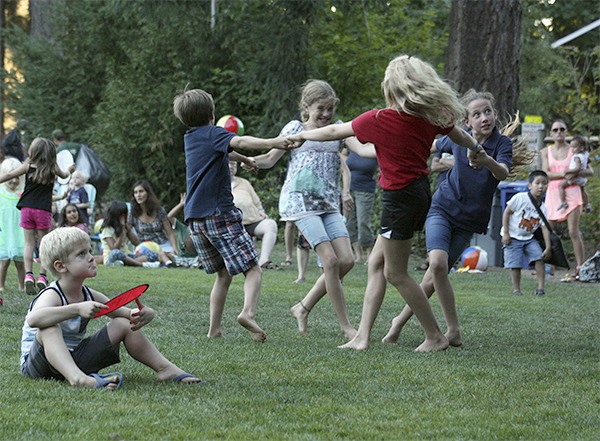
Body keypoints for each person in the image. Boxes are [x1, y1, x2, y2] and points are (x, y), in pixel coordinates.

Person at [288, 60, 490, 352]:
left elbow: (335, 132)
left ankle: (434, 336)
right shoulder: (430, 116)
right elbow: (458, 133)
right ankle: (362, 336)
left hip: (400, 200)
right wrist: (477, 149)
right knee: (375, 264)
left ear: (391, 88)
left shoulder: (379, 118)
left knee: (395, 273)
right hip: (419, 193)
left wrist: (301, 135)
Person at [380, 89, 512, 348]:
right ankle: (452, 330)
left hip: (469, 219)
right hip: (442, 208)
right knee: (437, 264)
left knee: (433, 275)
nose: (484, 117)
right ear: (466, 121)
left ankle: (398, 322)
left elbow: (503, 172)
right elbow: (426, 146)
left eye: (488, 112)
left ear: (495, 114)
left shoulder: (501, 144)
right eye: (476, 114)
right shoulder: (457, 138)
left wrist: (486, 160)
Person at [172, 87, 293, 342]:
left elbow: (226, 149)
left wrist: (244, 160)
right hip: (219, 213)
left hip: (195, 218)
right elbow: (237, 140)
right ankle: (248, 313)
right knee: (253, 268)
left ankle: (214, 330)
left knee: (223, 275)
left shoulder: (191, 137)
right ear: (212, 114)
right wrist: (273, 142)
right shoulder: (215, 133)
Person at [19, 227, 202, 389]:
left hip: (73, 359)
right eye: (81, 254)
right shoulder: (52, 294)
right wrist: (76, 309)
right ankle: (79, 379)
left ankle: (165, 369)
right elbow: (34, 319)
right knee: (49, 328)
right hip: (38, 365)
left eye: (89, 251)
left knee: (123, 324)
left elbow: (127, 315)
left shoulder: (89, 294)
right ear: (61, 266)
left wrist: (146, 314)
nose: (91, 257)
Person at [252, 80, 356, 340]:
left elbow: (363, 149)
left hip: (328, 204)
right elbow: (269, 159)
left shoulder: (337, 129)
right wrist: (249, 161)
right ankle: (346, 327)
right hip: (300, 203)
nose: (326, 114)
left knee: (347, 261)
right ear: (306, 107)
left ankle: (302, 307)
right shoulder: (295, 129)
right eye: (321, 108)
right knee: (330, 261)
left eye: (330, 109)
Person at [0, 137, 75, 295]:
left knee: (28, 243)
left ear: (33, 151)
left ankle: (28, 275)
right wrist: (70, 169)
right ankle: (42, 277)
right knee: (43, 245)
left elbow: (9, 175)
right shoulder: (53, 167)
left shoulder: (28, 166)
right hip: (43, 210)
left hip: (27, 208)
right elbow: (64, 176)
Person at [541, 119, 594, 277]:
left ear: (566, 132)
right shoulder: (546, 151)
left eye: (562, 129)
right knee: (546, 229)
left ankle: (580, 267)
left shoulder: (575, 150)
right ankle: (546, 264)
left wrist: (574, 173)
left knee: (573, 231)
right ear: (551, 133)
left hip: (572, 192)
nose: (559, 132)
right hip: (553, 194)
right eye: (555, 130)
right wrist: (565, 173)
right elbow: (546, 173)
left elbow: (590, 171)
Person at [501, 170, 551, 296]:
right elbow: (507, 212)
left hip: (529, 238)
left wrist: (548, 247)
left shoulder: (544, 207)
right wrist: (506, 233)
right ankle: (516, 289)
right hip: (513, 237)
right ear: (530, 185)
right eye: (537, 183)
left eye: (544, 183)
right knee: (515, 264)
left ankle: (541, 288)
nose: (541, 186)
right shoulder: (520, 198)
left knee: (539, 258)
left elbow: (545, 228)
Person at [229, 160, 279, 269]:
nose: (230, 166)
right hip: (230, 226)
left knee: (270, 224)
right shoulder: (216, 183)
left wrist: (262, 212)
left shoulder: (244, 182)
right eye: (227, 164)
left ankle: (263, 261)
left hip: (252, 222)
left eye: (233, 164)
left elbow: (257, 202)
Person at [341, 146, 378, 264]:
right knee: (349, 222)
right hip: (349, 190)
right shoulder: (352, 146)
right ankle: (358, 255)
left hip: (366, 190)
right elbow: (341, 156)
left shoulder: (374, 147)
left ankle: (370, 255)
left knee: (363, 222)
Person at [99, 201, 162, 268]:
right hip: (111, 258)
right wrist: (122, 229)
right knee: (116, 253)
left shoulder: (125, 226)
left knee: (154, 254)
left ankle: (127, 263)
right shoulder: (107, 229)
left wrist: (128, 230)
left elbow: (136, 243)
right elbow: (114, 248)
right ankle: (142, 265)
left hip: (127, 255)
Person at [128, 180, 178, 263]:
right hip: (144, 247)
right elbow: (127, 231)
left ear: (148, 193)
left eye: (141, 191)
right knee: (151, 258)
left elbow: (170, 233)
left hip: (163, 245)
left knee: (168, 256)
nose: (138, 195)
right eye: (135, 192)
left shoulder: (159, 210)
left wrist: (175, 248)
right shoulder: (133, 213)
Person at [0, 157, 25, 293]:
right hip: (4, 231)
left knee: (20, 262)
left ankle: (22, 286)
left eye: (18, 177)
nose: (15, 180)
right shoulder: (1, 193)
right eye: (11, 177)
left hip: (19, 232)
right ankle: (1, 286)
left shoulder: (21, 194)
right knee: (4, 261)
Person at [557, 135, 590, 213]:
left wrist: (568, 171)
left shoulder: (577, 157)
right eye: (571, 147)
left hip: (575, 177)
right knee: (582, 190)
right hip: (582, 179)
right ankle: (587, 204)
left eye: (574, 147)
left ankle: (563, 202)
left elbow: (577, 168)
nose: (572, 149)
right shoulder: (585, 154)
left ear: (581, 148)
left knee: (561, 185)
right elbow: (589, 160)